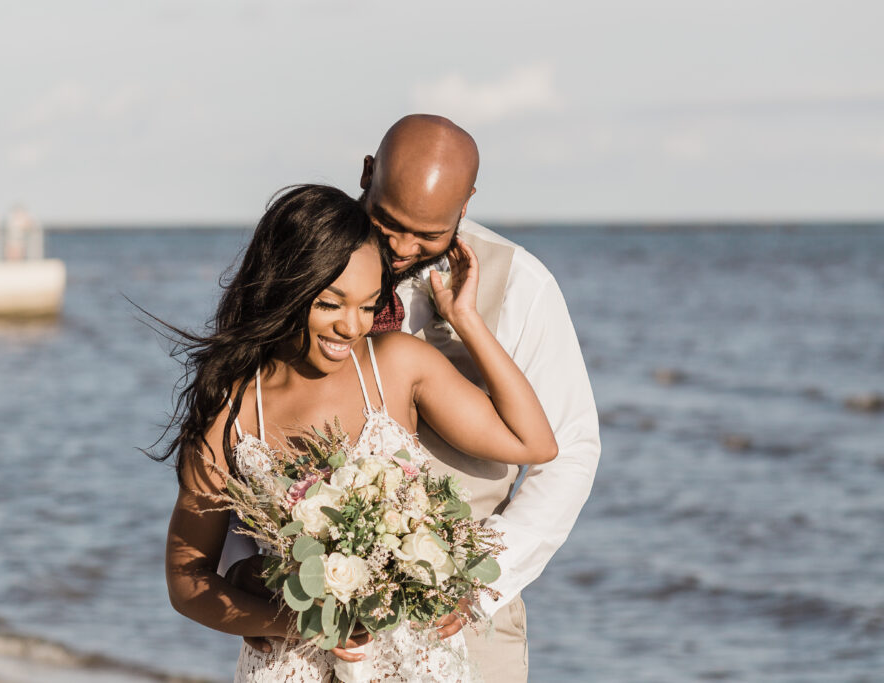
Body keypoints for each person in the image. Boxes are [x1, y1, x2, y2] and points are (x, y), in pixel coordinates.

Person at [159, 184, 559, 681]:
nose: (352, 326)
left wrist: (466, 319)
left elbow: (534, 443)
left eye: (369, 306)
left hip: (416, 664)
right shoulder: (232, 411)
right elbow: (186, 578)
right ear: (286, 287)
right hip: (291, 666)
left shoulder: (395, 366)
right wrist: (287, 621)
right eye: (332, 304)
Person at [351, 114, 602, 681]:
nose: (401, 248)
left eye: (428, 235)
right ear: (367, 173)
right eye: (388, 223)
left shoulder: (521, 284)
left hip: (463, 620)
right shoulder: (300, 264)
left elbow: (570, 452)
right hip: (322, 613)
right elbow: (250, 415)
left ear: (464, 206)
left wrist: (479, 581)